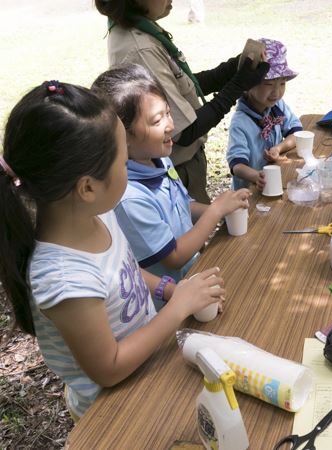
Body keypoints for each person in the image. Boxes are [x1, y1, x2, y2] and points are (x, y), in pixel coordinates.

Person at [0, 81, 225, 420]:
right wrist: (177, 309)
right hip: (113, 413)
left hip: (148, 369)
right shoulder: (65, 279)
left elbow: (123, 270)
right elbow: (109, 368)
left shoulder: (97, 214)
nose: (129, 171)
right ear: (88, 187)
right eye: (123, 163)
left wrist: (170, 289)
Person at [92, 65, 250, 306]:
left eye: (168, 112)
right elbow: (173, 256)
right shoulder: (129, 197)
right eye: (157, 120)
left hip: (190, 281)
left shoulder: (160, 159)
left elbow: (183, 204)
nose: (170, 125)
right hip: (166, 303)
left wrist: (221, 209)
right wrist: (216, 211)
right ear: (121, 136)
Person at [95, 0, 269, 204]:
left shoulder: (137, 29)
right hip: (177, 170)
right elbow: (184, 132)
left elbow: (181, 88)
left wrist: (231, 69)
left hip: (176, 167)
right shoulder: (141, 47)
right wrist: (238, 85)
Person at [226, 38, 302, 191]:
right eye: (268, 84)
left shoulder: (276, 106)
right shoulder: (240, 123)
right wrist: (256, 176)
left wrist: (278, 148)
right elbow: (236, 164)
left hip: (274, 184)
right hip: (250, 193)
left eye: (282, 84)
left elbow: (297, 133)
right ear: (248, 84)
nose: (276, 92)